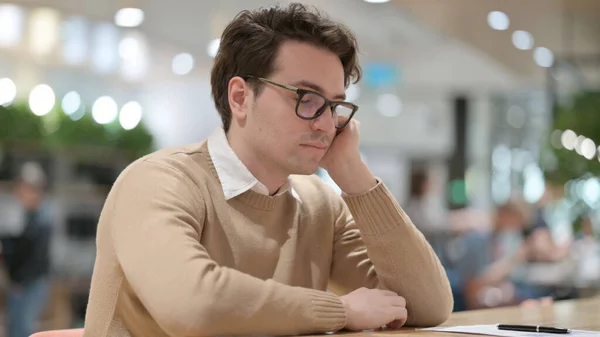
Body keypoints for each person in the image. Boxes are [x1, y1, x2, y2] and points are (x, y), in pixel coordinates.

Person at [83, 3, 452, 336]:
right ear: (241, 98)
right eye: (307, 99)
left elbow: (427, 306)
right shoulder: (158, 182)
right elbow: (195, 304)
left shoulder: (320, 205)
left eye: (335, 106)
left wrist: (355, 176)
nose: (326, 125)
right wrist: (340, 311)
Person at [0, 162, 52, 337]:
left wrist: (19, 281)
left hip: (29, 284)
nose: (20, 193)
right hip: (23, 283)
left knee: (21, 330)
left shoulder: (42, 218)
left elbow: (34, 255)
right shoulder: (30, 215)